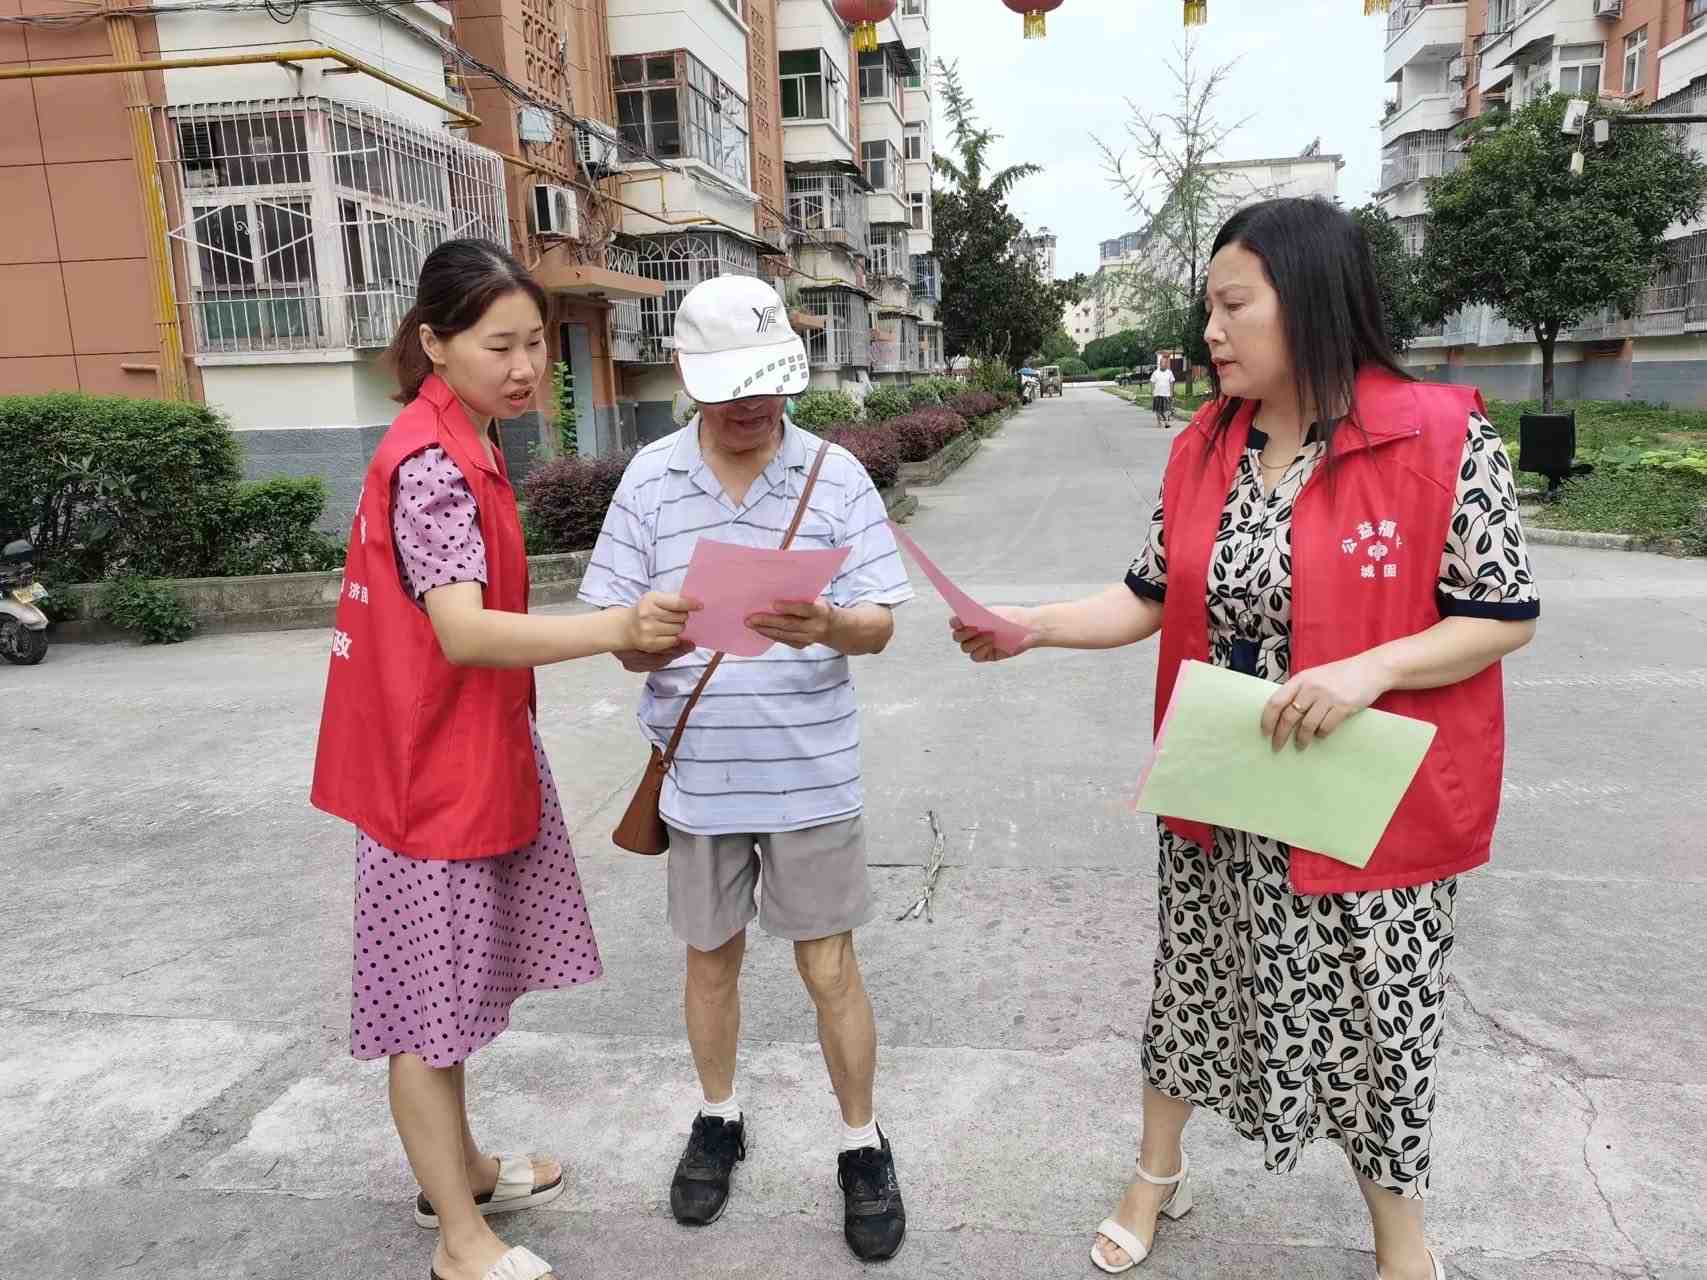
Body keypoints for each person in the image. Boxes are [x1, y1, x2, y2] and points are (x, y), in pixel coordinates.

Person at [950, 199, 1539, 1280]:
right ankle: (1155, 1173)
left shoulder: (1440, 434)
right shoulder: (1207, 442)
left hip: (1365, 800)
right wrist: (1030, 625)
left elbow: (1501, 613)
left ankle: (1399, 1236)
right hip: (1225, 782)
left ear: (1309, 302)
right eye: (1208, 308)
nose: (1211, 332)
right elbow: (1146, 595)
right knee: (1194, 985)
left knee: (1381, 1020)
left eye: (1234, 306)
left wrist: (1370, 668)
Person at [311, 238, 696, 1280]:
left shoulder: (457, 436)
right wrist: (618, 628)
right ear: (435, 342)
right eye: (500, 345)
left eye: (535, 342)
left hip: (453, 753)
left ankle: (466, 1170)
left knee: (450, 992)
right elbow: (465, 631)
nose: (525, 366)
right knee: (425, 1012)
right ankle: (458, 1236)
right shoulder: (433, 465)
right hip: (425, 777)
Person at [579, 276, 915, 1262]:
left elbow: (880, 625)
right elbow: (622, 645)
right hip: (699, 775)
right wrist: (646, 634)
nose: (752, 404)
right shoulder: (649, 481)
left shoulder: (834, 476)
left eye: (767, 381)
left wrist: (830, 622)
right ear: (687, 377)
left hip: (811, 773)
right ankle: (718, 1116)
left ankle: (862, 1141)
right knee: (709, 958)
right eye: (730, 386)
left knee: (828, 965)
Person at [1149, 361, 1177, 427]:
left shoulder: (1169, 372)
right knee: (1158, 410)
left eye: (1164, 365)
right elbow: (1152, 382)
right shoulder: (1155, 372)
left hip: (1166, 394)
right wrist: (1152, 391)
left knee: (1166, 409)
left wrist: (1171, 392)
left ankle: (1166, 423)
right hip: (1157, 393)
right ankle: (1159, 422)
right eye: (1162, 364)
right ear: (1160, 364)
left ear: (1166, 365)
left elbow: (1172, 382)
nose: (1163, 366)